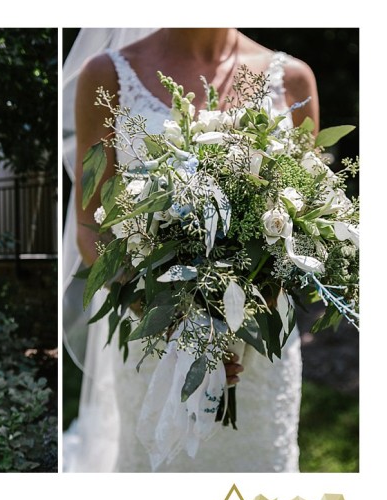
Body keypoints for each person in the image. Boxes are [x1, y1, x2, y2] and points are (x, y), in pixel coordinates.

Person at [62, 29, 319, 472]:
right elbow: (91, 225)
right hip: (156, 341)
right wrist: (171, 324)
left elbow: (309, 217)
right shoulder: (106, 75)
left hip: (260, 345)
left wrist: (246, 313)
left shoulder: (293, 78)